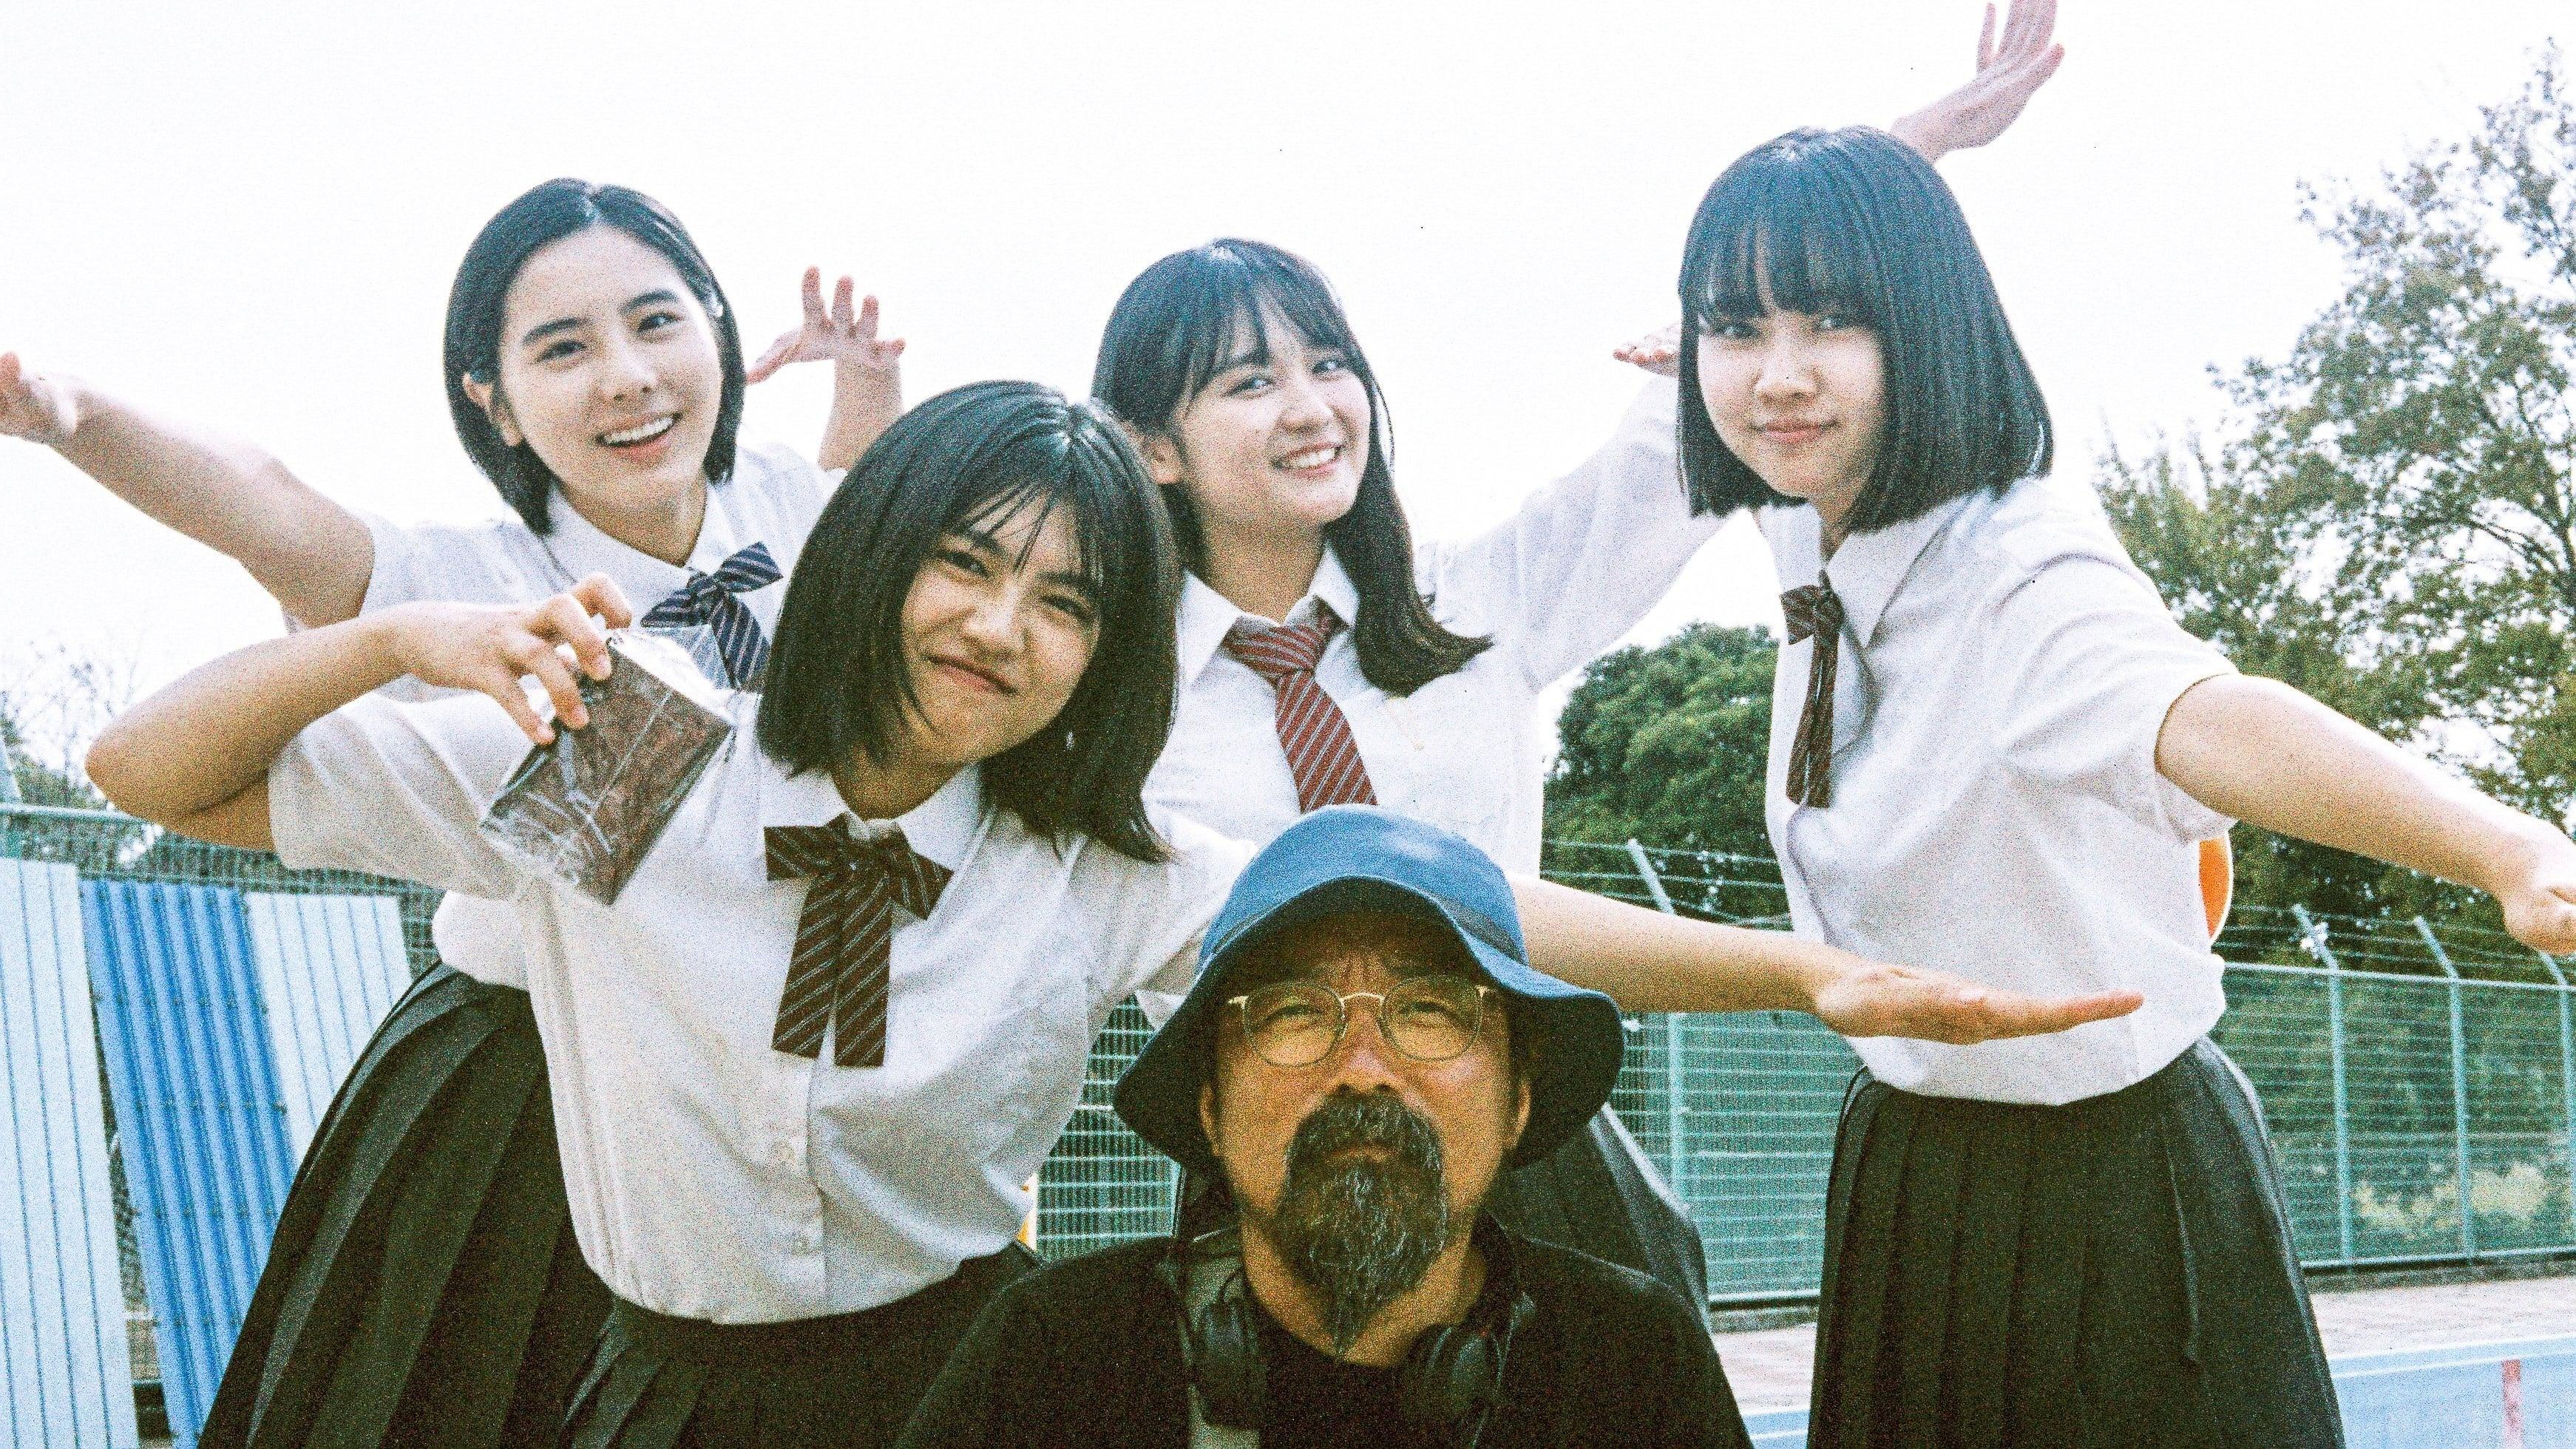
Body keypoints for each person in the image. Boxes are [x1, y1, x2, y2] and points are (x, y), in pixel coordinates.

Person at [1085, 1, 2067, 1310]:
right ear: (1152, 444)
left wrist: (1896, 161)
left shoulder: (1472, 604)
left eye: (1329, 363)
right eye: (1248, 383)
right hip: (1280, 1184)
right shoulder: (1107, 704)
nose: (1314, 408)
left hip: (1533, 1154)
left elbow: (1677, 439)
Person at [1658, 126, 2576, 1445]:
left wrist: (2499, 847)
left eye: (1833, 322)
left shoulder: (2018, 574)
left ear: (1927, 328)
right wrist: (1913, 144)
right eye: (1732, 328)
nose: (1777, 377)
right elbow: (1750, 378)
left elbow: (2209, 718)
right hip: (1911, 1166)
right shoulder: (1811, 506)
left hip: (2106, 1197)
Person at [2, 178, 901, 1446]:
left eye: (657, 322)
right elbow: (264, 503)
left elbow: (891, 568)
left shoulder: (794, 505)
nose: (627, 376)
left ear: (717, 329)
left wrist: (866, 390)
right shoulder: (466, 580)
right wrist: (65, 415)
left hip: (814, 1021)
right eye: (563, 348)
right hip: (535, 1083)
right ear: (493, 399)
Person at [898, 807, 1749, 1449]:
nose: (1364, 1067)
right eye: (1294, 1014)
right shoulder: (1058, 1359)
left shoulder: (1634, 1364)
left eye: (1428, 1010)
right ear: (1211, 1112)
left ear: (1518, 1102)